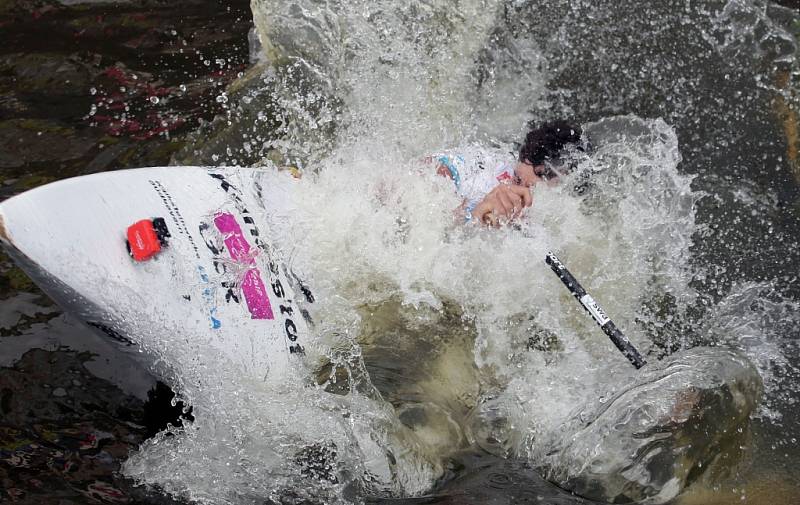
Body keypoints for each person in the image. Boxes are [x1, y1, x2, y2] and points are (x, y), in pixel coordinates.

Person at [431, 120, 584, 225]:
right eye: (517, 180)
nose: (518, 192)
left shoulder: (560, 217)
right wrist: (475, 216)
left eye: (530, 190)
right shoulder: (485, 164)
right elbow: (422, 175)